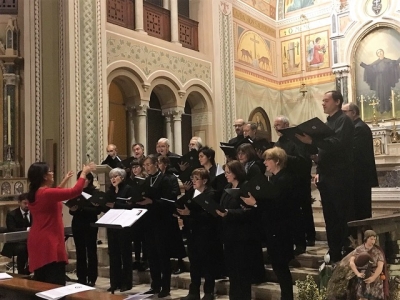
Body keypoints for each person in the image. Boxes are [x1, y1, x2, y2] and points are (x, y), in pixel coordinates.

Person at [296, 90, 355, 263]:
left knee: (341, 215)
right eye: (322, 101)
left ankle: (345, 251)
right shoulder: (328, 122)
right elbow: (326, 150)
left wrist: (312, 142)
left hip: (340, 177)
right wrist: (316, 157)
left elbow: (338, 144)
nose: (323, 103)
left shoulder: (344, 121)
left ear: (337, 102)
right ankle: (334, 251)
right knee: (330, 217)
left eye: (326, 100)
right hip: (327, 176)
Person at [27, 162, 96, 285]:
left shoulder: (37, 192)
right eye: (50, 171)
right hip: (49, 239)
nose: (52, 173)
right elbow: (75, 191)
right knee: (54, 281)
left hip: (38, 237)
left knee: (42, 280)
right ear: (44, 176)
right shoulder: (46, 193)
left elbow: (55, 192)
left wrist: (64, 180)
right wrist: (84, 173)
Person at [242, 147, 295, 300]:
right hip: (272, 229)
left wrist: (256, 203)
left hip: (281, 230)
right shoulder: (273, 179)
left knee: (281, 268)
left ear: (277, 161)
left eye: (267, 160)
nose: (264, 162)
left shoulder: (285, 179)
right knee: (278, 267)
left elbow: (280, 206)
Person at [216, 160, 264, 300]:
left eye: (228, 172)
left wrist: (229, 212)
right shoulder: (227, 188)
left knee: (242, 274)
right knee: (233, 274)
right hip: (229, 236)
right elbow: (222, 206)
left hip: (243, 237)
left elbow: (250, 212)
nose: (226, 175)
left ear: (236, 173)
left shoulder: (246, 188)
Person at [137, 155, 181, 298]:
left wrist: (152, 202)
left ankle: (165, 287)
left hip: (162, 222)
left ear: (156, 164)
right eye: (145, 165)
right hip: (148, 222)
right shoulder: (145, 181)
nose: (147, 167)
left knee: (163, 256)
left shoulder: (165, 180)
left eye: (149, 164)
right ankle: (155, 285)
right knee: (152, 256)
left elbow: (170, 201)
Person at [274, 115, 316, 250]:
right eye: (275, 126)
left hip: (299, 181)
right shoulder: (279, 142)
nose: (276, 128)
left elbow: (303, 161)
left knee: (303, 209)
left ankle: (309, 237)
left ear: (286, 125)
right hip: (284, 181)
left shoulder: (297, 140)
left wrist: (284, 157)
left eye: (278, 125)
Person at [178, 168, 219, 300]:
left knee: (208, 263)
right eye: (192, 178)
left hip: (207, 233)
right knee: (194, 263)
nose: (193, 181)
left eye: (197, 179)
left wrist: (190, 213)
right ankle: (194, 292)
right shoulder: (191, 193)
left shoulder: (212, 194)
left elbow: (210, 215)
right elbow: (181, 204)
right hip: (192, 232)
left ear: (205, 180)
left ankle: (208, 292)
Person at [342, 103, 379, 220]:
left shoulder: (359, 128)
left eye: (344, 112)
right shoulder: (355, 127)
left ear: (353, 113)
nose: (342, 116)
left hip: (360, 176)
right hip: (357, 176)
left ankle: (363, 236)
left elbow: (354, 151)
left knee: (361, 210)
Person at [104, 167, 135, 293]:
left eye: (115, 176)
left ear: (122, 178)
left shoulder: (128, 189)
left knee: (125, 255)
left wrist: (115, 205)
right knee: (113, 256)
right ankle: (114, 283)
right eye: (111, 177)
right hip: (112, 226)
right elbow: (106, 205)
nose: (113, 179)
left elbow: (130, 205)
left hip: (124, 226)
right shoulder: (109, 191)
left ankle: (126, 283)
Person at [68, 171, 101, 286]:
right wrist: (72, 209)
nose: (83, 181)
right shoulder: (76, 192)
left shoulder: (95, 192)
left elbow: (97, 210)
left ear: (90, 180)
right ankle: (81, 277)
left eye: (85, 179)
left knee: (91, 251)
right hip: (77, 223)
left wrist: (81, 209)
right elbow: (71, 210)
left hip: (90, 223)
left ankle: (92, 277)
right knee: (80, 251)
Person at [157, 155, 187, 275]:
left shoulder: (171, 177)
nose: (158, 165)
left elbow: (176, 192)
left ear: (165, 164)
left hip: (170, 210)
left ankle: (180, 263)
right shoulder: (157, 178)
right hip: (160, 212)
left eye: (159, 163)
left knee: (175, 238)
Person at [349, 230, 389, 300]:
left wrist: (373, 277)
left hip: (375, 278)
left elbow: (380, 266)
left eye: (374, 239)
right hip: (362, 276)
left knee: (375, 297)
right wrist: (357, 273)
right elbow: (351, 262)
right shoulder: (359, 249)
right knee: (362, 297)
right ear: (366, 238)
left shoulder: (377, 251)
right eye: (371, 239)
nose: (373, 241)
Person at [360, 49, 400, 113]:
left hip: (386, 80)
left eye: (381, 52)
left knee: (386, 93)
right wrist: (363, 64)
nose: (380, 53)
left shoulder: (388, 61)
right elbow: (370, 68)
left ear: (383, 52)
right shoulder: (376, 63)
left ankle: (387, 108)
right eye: (378, 52)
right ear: (377, 55)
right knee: (380, 94)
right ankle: (381, 109)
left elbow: (394, 64)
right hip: (378, 81)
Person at [1, 193, 32, 275]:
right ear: (19, 202)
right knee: (24, 248)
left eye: (29, 203)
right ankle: (21, 272)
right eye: (25, 203)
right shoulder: (12, 215)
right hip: (15, 242)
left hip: (31, 240)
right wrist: (27, 229)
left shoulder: (33, 213)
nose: (27, 205)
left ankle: (32, 269)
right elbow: (12, 230)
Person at [126, 159, 148, 272]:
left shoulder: (146, 180)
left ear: (141, 168)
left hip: (144, 211)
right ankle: (137, 259)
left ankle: (145, 259)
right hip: (134, 210)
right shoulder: (130, 182)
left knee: (144, 237)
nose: (135, 170)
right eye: (133, 168)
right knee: (136, 237)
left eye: (137, 167)